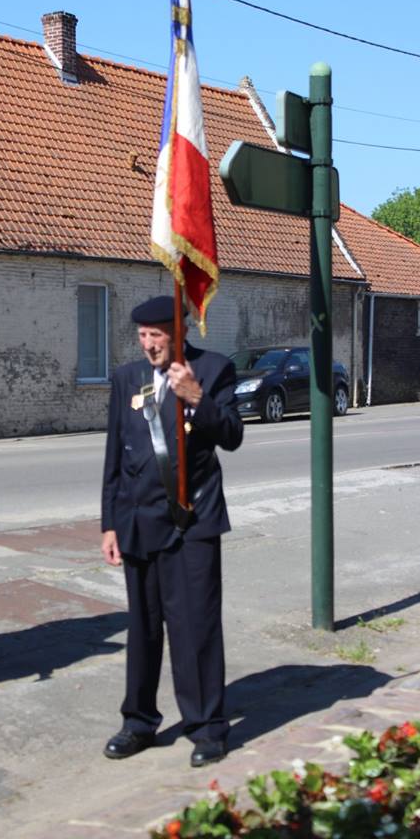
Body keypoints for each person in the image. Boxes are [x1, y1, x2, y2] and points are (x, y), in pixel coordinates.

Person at [101, 295, 243, 768]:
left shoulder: (214, 368)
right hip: (137, 520)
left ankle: (206, 728)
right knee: (142, 630)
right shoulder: (126, 378)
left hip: (192, 522)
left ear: (178, 331)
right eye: (142, 336)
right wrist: (109, 523)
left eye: (156, 336)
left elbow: (232, 435)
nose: (148, 345)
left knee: (195, 629)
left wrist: (196, 398)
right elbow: (114, 459)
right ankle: (138, 721)